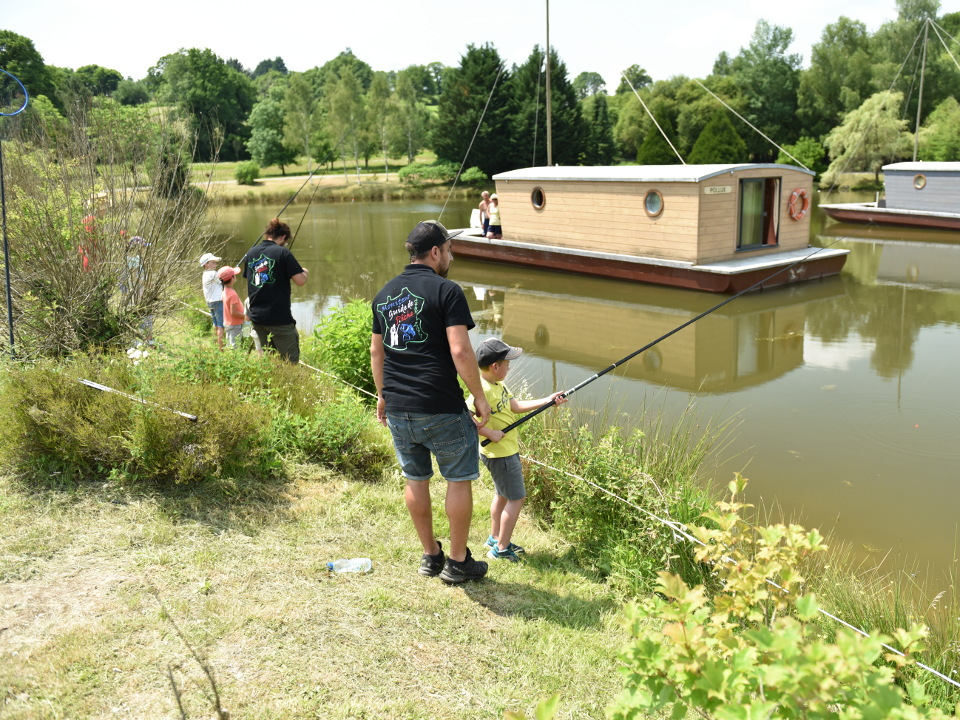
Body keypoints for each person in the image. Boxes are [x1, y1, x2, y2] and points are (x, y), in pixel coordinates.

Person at [370, 219, 492, 585]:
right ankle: (457, 562)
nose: (451, 256)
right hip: (440, 403)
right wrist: (480, 396)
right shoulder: (448, 291)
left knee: (416, 479)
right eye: (450, 250)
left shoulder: (384, 294)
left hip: (399, 408)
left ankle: (430, 556)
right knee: (458, 479)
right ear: (436, 252)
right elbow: (460, 349)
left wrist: (382, 395)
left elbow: (377, 352)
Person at [467, 338, 567, 562]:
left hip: (503, 451)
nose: (509, 367)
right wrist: (490, 433)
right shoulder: (481, 391)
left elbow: (515, 406)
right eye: (507, 364)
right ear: (495, 366)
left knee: (502, 495)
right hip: (500, 453)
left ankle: (494, 538)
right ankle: (501, 549)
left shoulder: (498, 385)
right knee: (517, 498)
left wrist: (547, 401)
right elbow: (466, 417)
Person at [241, 218, 308, 364]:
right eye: (286, 241)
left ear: (267, 235)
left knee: (269, 361)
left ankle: (268, 386)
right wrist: (304, 272)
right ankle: (289, 386)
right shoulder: (283, 253)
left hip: (257, 318)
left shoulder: (251, 253)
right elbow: (301, 281)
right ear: (283, 237)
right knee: (290, 362)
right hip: (279, 319)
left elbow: (252, 280)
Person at [199, 252, 224, 349]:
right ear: (206, 264)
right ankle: (221, 349)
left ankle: (215, 346)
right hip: (218, 301)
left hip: (210, 302)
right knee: (221, 325)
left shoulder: (205, 274)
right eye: (213, 262)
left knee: (215, 324)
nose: (216, 264)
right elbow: (224, 280)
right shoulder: (213, 274)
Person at [218, 266, 245, 348]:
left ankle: (228, 359)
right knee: (234, 347)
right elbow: (234, 312)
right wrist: (246, 316)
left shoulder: (224, 291)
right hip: (235, 324)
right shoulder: (232, 294)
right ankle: (233, 360)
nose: (235, 276)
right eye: (234, 275)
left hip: (228, 323)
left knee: (229, 344)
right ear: (232, 278)